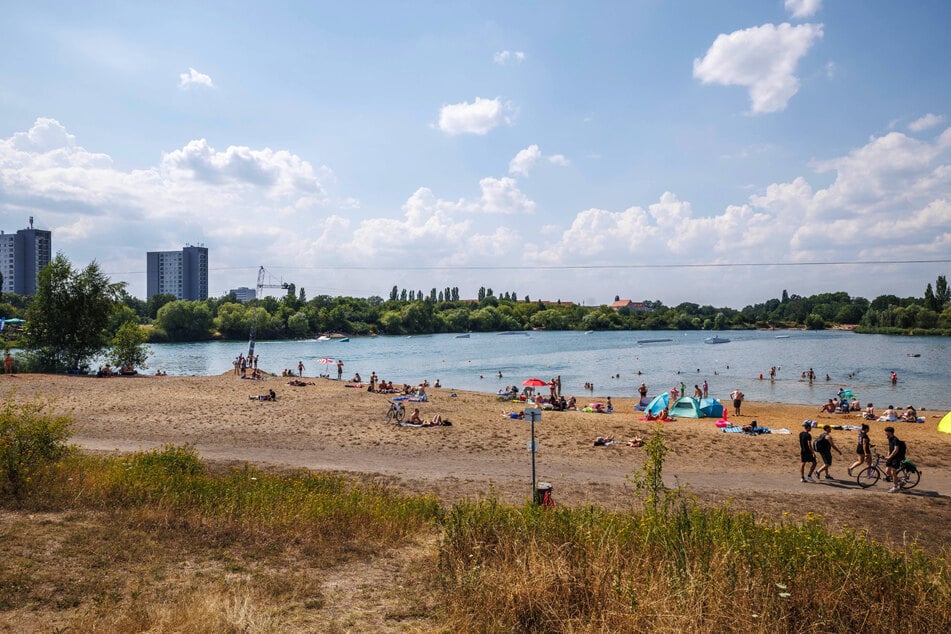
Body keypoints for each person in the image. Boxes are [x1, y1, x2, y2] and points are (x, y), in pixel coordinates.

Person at [883, 426, 906, 493]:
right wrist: (888, 456)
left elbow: (896, 450)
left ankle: (895, 487)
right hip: (891, 457)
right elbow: (890, 449)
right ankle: (900, 481)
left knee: (893, 472)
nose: (885, 433)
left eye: (885, 432)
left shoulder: (895, 439)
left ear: (889, 432)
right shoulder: (889, 439)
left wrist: (890, 457)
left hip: (896, 458)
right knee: (887, 471)